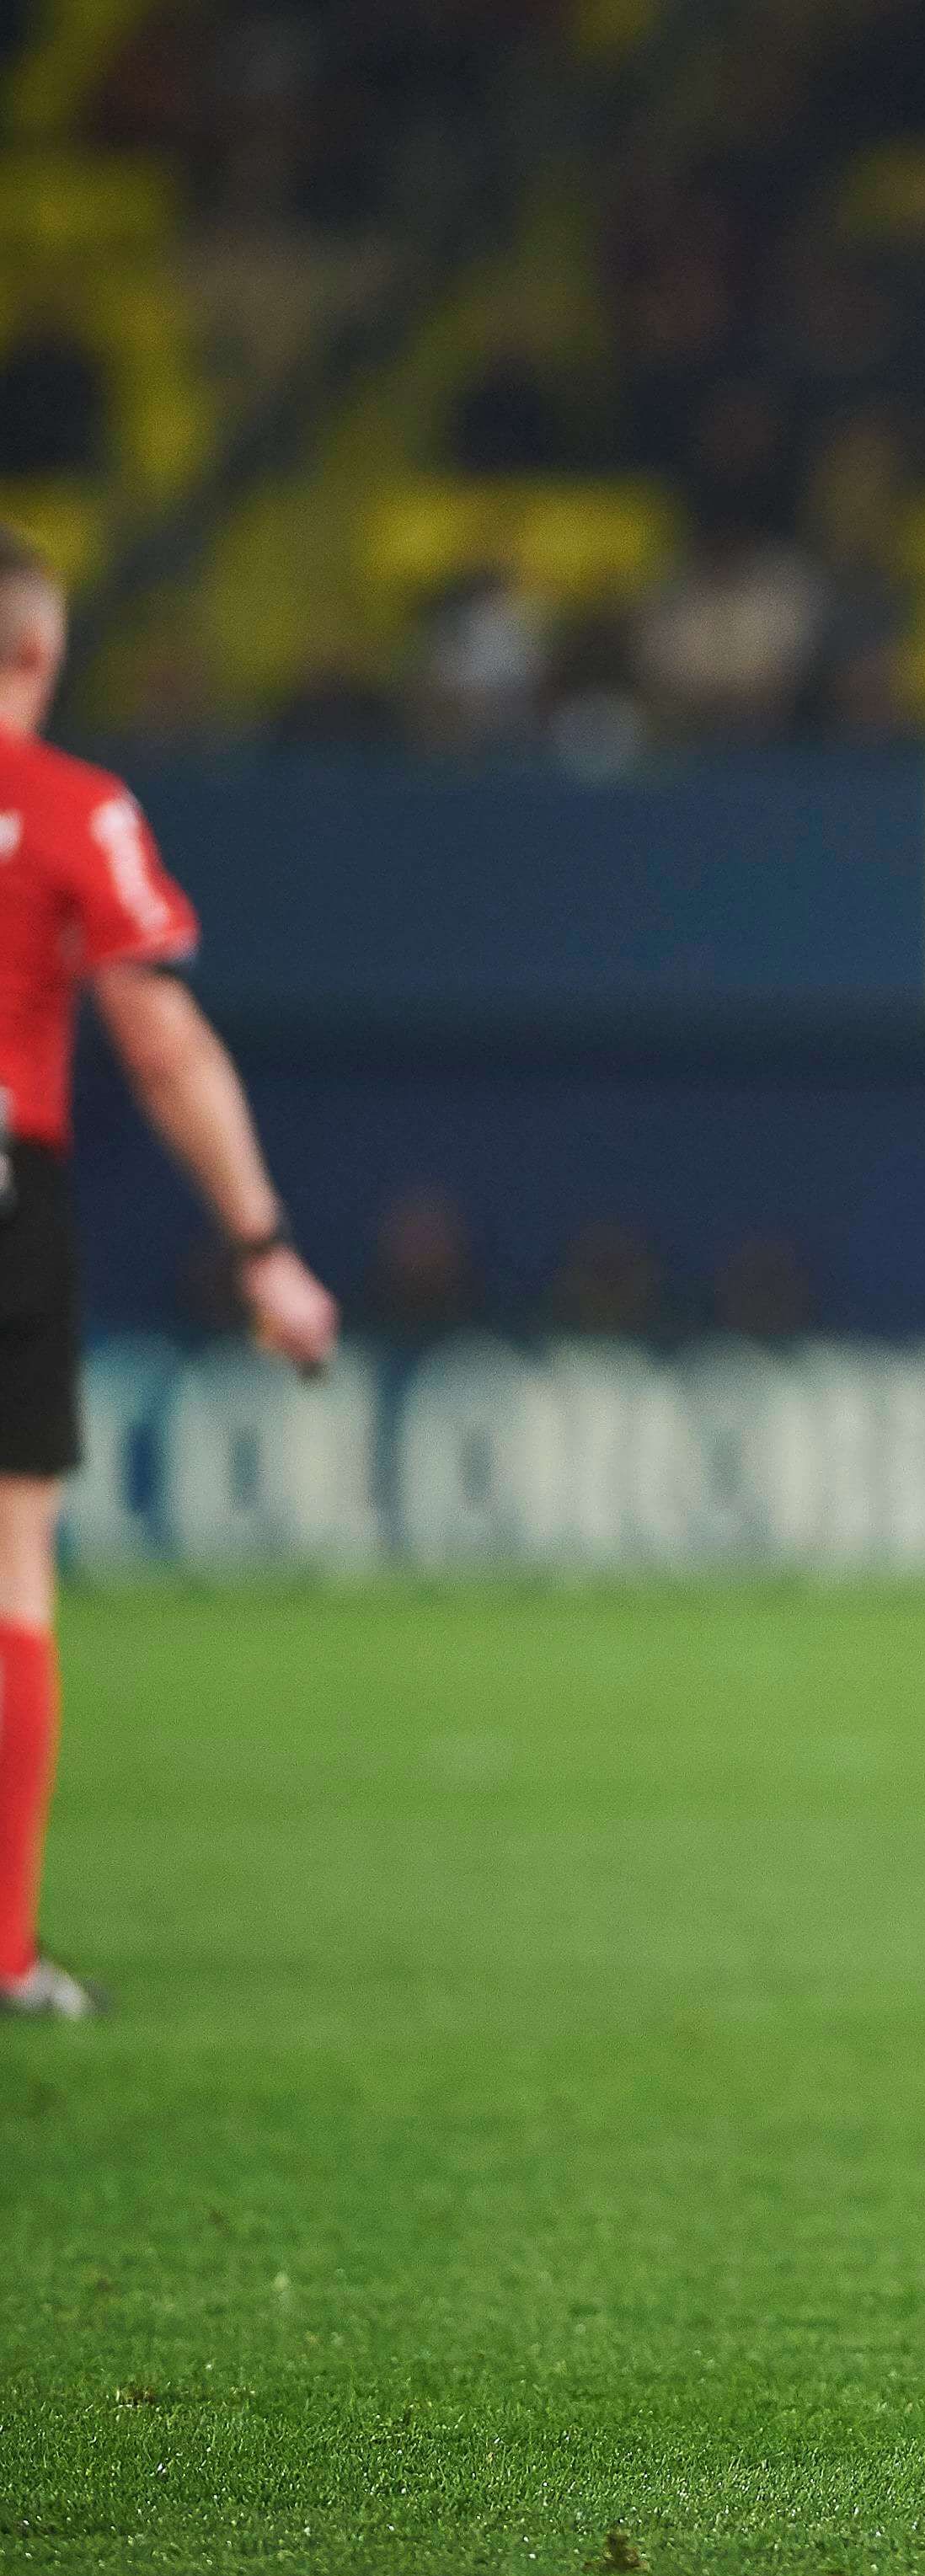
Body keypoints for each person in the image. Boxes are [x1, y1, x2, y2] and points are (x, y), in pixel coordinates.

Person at [0, 521, 340, 2020]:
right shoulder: (76, 811)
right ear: (40, 649)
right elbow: (157, 1037)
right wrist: (265, 1248)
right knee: (9, 1562)